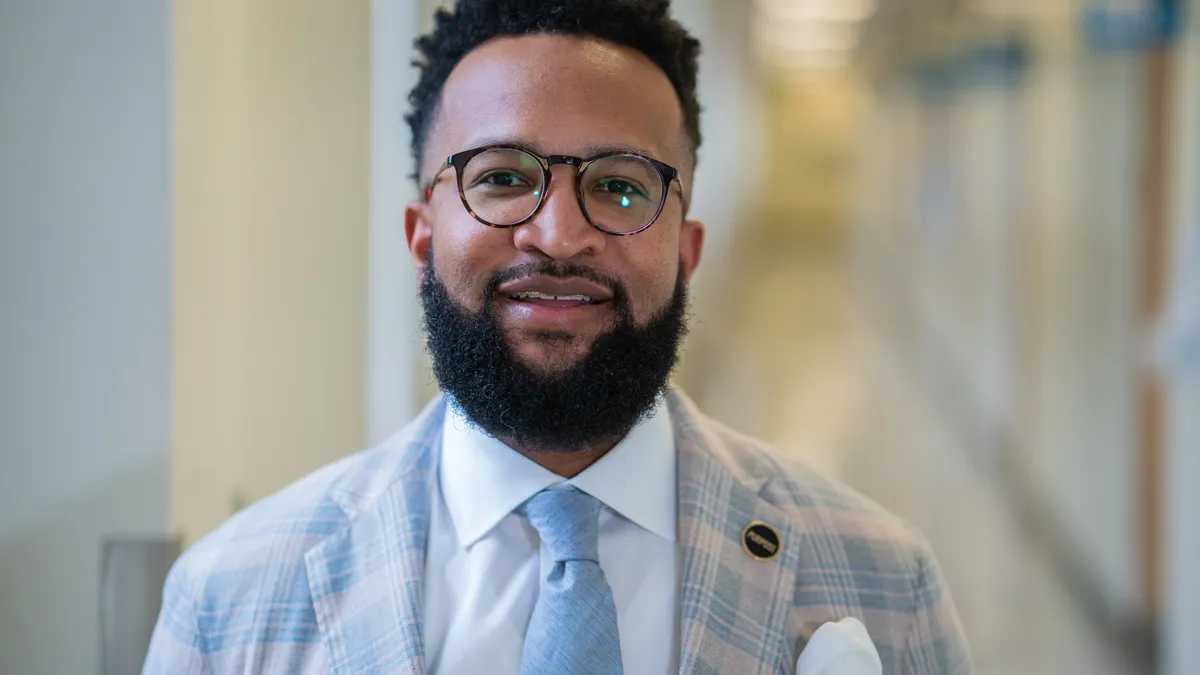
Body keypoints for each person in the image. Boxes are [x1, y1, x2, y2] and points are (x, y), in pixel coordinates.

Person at [143, 1, 973, 673]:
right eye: (502, 177)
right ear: (422, 236)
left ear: (685, 251)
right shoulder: (232, 599)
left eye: (620, 186)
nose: (558, 233)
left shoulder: (882, 579)